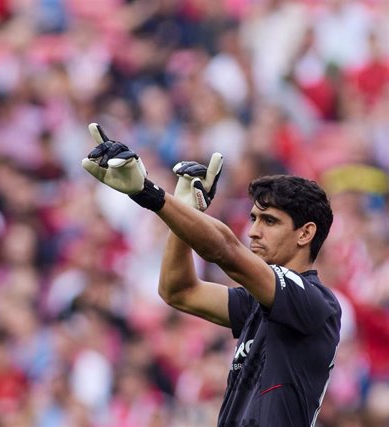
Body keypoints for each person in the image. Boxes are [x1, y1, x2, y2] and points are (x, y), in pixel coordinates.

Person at [81, 123, 341, 426]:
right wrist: (183, 218)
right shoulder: (258, 304)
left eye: (269, 222)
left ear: (305, 233)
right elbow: (178, 291)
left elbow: (226, 251)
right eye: (253, 219)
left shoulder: (314, 302)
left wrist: (150, 194)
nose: (253, 232)